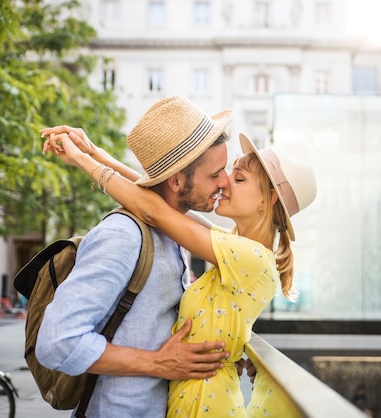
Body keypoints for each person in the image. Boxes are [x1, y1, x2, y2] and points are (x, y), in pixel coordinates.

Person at [44, 125, 317, 416]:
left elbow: (155, 211)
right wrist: (95, 153)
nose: (224, 183)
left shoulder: (248, 257)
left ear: (269, 199)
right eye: (221, 174)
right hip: (197, 395)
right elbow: (159, 198)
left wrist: (83, 161)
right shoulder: (236, 247)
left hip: (206, 403)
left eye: (238, 178)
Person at [35, 96, 235, 417]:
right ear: (176, 181)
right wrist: (158, 362)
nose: (225, 182)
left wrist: (94, 155)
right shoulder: (122, 236)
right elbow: (57, 342)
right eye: (215, 174)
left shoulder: (173, 230)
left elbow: (151, 198)